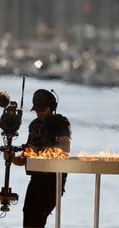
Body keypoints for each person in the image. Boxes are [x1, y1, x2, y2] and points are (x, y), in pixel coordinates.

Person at [6, 89, 71, 228]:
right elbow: (27, 155)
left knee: (37, 218)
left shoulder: (61, 123)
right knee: (28, 216)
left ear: (52, 107)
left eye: (42, 109)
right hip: (36, 179)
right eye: (37, 110)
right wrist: (13, 158)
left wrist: (39, 152)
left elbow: (64, 149)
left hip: (53, 180)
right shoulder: (35, 125)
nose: (39, 113)